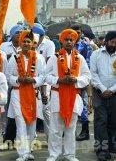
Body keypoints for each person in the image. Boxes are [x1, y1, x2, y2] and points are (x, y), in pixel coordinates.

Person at [45, 29, 91, 161]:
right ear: (62, 41)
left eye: (71, 40)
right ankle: (53, 155)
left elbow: (87, 76)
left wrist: (76, 80)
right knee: (55, 129)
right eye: (67, 39)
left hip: (74, 97)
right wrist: (59, 80)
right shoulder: (54, 57)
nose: (69, 42)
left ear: (75, 41)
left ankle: (70, 155)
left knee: (71, 128)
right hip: (57, 96)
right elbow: (46, 76)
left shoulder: (80, 58)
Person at [7, 30, 45, 161]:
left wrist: (33, 80)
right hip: (17, 93)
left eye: (29, 41)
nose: (26, 43)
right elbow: (8, 76)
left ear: (33, 43)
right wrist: (18, 79)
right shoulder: (14, 57)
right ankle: (22, 153)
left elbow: (43, 77)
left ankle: (28, 151)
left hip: (32, 93)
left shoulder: (39, 58)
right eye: (24, 41)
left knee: (31, 123)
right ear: (20, 42)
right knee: (21, 122)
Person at [90, 31, 116, 161]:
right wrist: (102, 89)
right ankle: (101, 150)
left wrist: (111, 90)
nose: (114, 44)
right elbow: (93, 74)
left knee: (112, 122)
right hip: (98, 92)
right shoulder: (96, 54)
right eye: (112, 42)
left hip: (114, 93)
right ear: (106, 41)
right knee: (101, 121)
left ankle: (110, 147)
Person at [32, 23, 55, 137]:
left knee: (46, 109)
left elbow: (49, 64)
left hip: (45, 79)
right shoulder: (26, 46)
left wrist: (44, 90)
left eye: (39, 36)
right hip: (31, 82)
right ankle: (32, 136)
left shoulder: (49, 44)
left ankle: (50, 136)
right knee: (31, 109)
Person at [71, 24, 93, 142]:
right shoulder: (67, 42)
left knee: (83, 104)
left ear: (81, 33)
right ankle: (69, 130)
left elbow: (88, 64)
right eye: (73, 32)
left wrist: (84, 80)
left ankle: (85, 131)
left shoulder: (85, 45)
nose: (75, 35)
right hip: (67, 80)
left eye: (78, 32)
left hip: (80, 80)